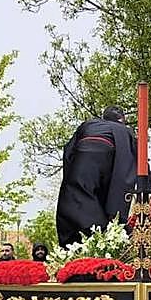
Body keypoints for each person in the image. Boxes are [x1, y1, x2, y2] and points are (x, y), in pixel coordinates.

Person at [55, 106, 139, 247]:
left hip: (80, 167)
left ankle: (77, 244)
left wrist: (68, 178)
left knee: (77, 202)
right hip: (108, 164)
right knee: (107, 212)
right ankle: (106, 240)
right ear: (122, 119)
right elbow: (140, 162)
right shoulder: (124, 130)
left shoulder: (87, 125)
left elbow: (68, 152)